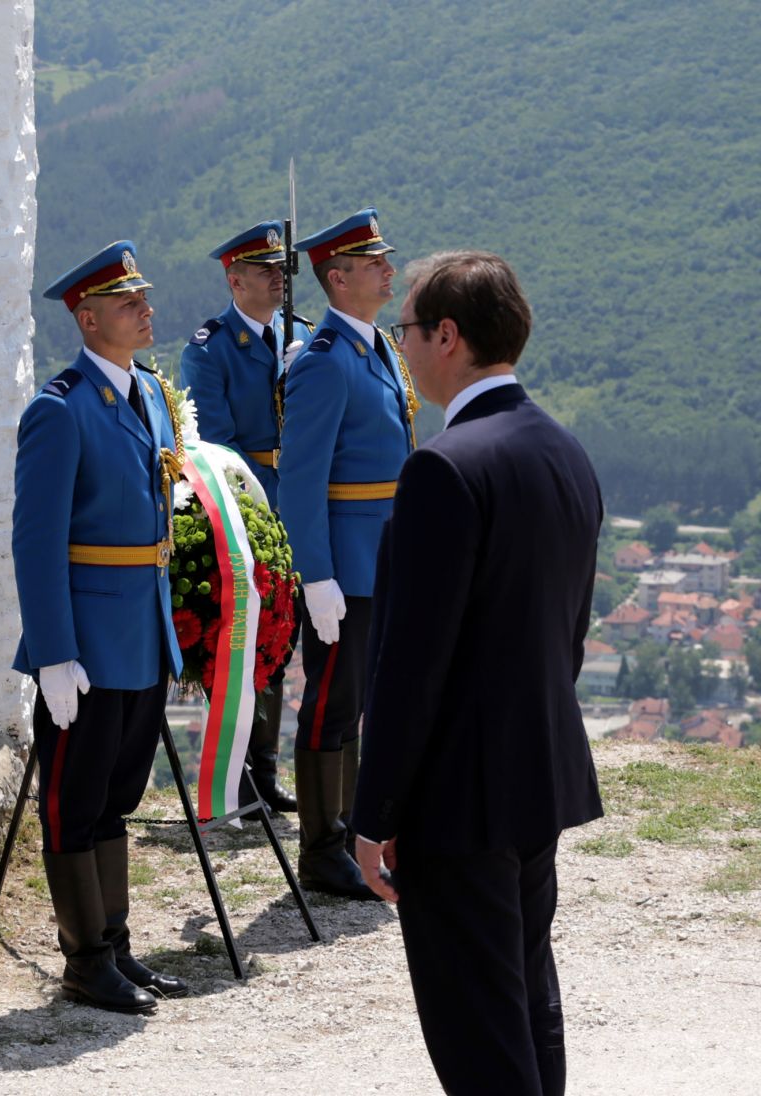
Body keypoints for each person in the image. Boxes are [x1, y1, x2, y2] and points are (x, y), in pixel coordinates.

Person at [352, 252, 603, 1095]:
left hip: (457, 799)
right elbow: (567, 636)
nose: (404, 346)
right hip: (537, 773)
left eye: (408, 330)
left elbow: (410, 664)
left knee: (479, 1033)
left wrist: (376, 807)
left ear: (447, 337)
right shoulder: (562, 449)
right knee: (529, 1004)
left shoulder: (445, 468)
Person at [13, 241, 189, 1014]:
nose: (145, 310)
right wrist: (54, 652)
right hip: (85, 642)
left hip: (141, 632)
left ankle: (115, 946)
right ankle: (84, 960)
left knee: (117, 796)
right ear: (87, 320)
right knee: (74, 803)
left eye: (143, 298)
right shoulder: (59, 410)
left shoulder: (147, 393)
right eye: (127, 303)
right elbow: (36, 539)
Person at [278, 207, 416, 899]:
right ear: (336, 277)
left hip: (383, 557)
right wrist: (317, 575)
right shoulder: (326, 362)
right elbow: (301, 478)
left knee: (360, 702)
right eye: (373, 262)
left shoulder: (376, 347)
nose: (390, 269)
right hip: (347, 567)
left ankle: (354, 828)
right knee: (330, 706)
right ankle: (320, 848)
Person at [177, 220, 315, 813]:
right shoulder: (209, 349)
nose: (279, 279)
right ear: (235, 280)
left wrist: (302, 373)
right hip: (251, 502)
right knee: (250, 640)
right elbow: (218, 443)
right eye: (266, 272)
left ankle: (265, 770)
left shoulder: (302, 336)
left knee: (285, 642)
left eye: (282, 271)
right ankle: (242, 779)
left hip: (304, 500)